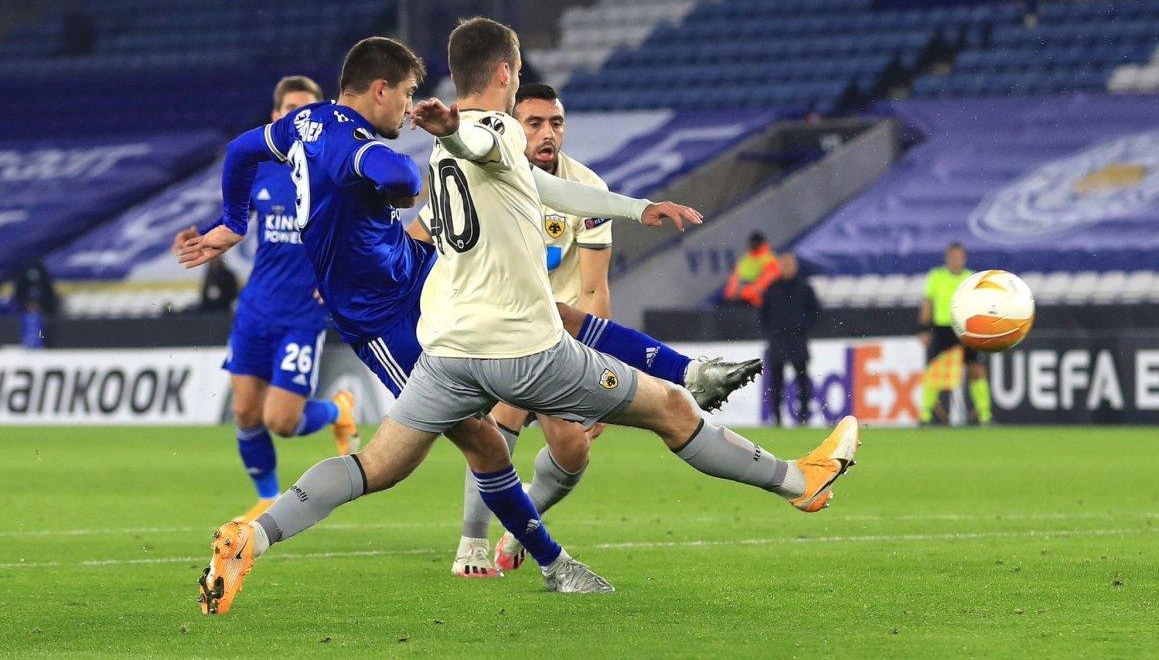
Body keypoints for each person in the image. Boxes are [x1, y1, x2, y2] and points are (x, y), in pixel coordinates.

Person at [180, 35, 758, 612]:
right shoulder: (347, 141)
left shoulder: (301, 124)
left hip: (415, 274)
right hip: (384, 319)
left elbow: (239, 151)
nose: (407, 109)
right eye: (405, 95)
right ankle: (547, 560)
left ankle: (691, 372)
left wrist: (233, 222)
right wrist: (398, 187)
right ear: (379, 89)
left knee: (551, 314)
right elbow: (397, 174)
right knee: (456, 450)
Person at [438, 82, 761, 577]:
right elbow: (429, 232)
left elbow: (593, 291)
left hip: (563, 339)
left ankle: (521, 522)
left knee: (571, 450)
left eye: (557, 123)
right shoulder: (487, 179)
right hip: (504, 331)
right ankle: (472, 545)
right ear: (511, 126)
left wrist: (599, 370)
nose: (548, 133)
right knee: (498, 422)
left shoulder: (585, 190)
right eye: (535, 123)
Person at [173, 76, 359, 524]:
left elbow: (359, 230)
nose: (299, 119)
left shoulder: (333, 170)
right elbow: (233, 217)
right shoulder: (260, 167)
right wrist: (203, 233)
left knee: (281, 420)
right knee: (244, 410)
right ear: (276, 116)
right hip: (256, 307)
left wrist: (342, 275)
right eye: (290, 110)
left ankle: (340, 410)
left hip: (304, 314)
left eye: (307, 111)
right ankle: (267, 496)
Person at [918, 242, 991, 425]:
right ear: (947, 259)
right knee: (934, 371)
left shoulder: (971, 278)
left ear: (964, 259)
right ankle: (925, 415)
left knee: (976, 369)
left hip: (966, 329)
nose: (955, 261)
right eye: (952, 257)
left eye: (958, 258)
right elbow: (928, 303)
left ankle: (985, 415)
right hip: (943, 329)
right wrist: (923, 329)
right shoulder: (936, 276)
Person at [759, 254, 821, 426]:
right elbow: (763, 315)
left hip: (797, 342)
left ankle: (804, 416)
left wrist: (803, 330)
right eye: (784, 264)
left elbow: (815, 313)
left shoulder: (805, 289)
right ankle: (777, 418)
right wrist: (771, 333)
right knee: (776, 382)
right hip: (777, 342)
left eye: (790, 264)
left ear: (795, 266)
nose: (787, 267)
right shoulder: (772, 289)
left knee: (802, 380)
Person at [722, 232, 780, 307]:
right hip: (741, 301)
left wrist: (740, 294)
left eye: (756, 243)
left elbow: (763, 285)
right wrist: (730, 295)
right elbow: (734, 280)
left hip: (761, 304)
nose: (754, 245)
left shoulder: (770, 260)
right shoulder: (745, 259)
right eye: (753, 243)